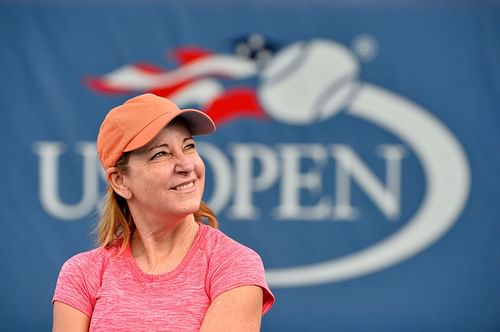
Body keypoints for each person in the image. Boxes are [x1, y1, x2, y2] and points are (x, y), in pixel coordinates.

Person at [52, 93, 274, 331]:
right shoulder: (81, 273)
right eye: (161, 154)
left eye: (188, 146)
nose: (187, 165)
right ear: (120, 181)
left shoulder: (235, 264)